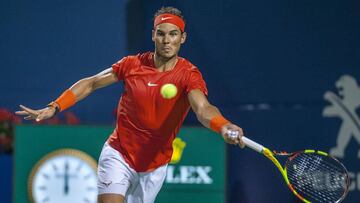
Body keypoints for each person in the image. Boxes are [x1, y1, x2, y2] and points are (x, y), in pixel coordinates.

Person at [15, 6, 245, 203]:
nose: (167, 41)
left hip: (155, 165)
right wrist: (55, 106)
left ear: (182, 38)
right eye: (161, 34)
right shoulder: (132, 64)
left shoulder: (189, 75)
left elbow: (203, 109)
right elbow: (92, 83)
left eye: (173, 34)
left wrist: (223, 125)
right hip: (119, 153)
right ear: (153, 35)